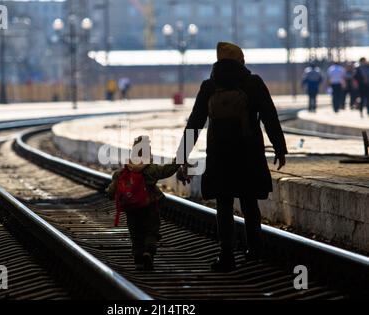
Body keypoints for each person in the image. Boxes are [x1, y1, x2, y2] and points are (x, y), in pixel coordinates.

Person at [176, 42, 287, 272]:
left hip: (220, 154)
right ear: (241, 61)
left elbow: (194, 124)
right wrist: (280, 147)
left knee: (224, 205)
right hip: (248, 153)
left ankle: (226, 255)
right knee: (249, 203)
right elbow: (270, 116)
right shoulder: (253, 83)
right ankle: (255, 252)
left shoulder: (209, 86)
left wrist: (182, 157)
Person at [106, 136, 180, 271]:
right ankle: (148, 252)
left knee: (136, 234)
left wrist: (110, 193)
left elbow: (111, 192)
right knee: (151, 231)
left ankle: (138, 258)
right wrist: (179, 159)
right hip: (149, 208)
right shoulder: (151, 170)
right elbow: (168, 170)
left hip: (131, 210)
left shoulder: (122, 172)